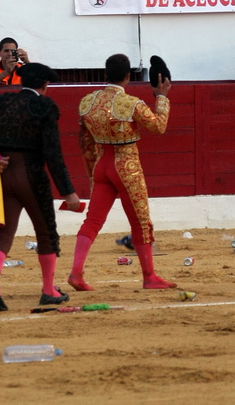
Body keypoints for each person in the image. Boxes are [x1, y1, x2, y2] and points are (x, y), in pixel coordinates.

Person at [0, 62, 80, 311]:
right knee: (46, 232)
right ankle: (48, 290)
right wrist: (68, 190)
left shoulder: (1, 102)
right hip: (32, 175)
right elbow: (52, 152)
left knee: (4, 233)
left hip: (3, 176)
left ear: (20, 80)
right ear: (45, 84)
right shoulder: (44, 106)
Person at [68, 53, 176, 292]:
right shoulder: (131, 103)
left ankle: (76, 272)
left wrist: (92, 172)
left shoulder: (87, 102)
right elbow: (158, 127)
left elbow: (84, 142)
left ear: (106, 74)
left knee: (92, 221)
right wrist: (161, 98)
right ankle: (149, 277)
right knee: (140, 223)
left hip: (102, 165)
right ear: (129, 76)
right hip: (127, 165)